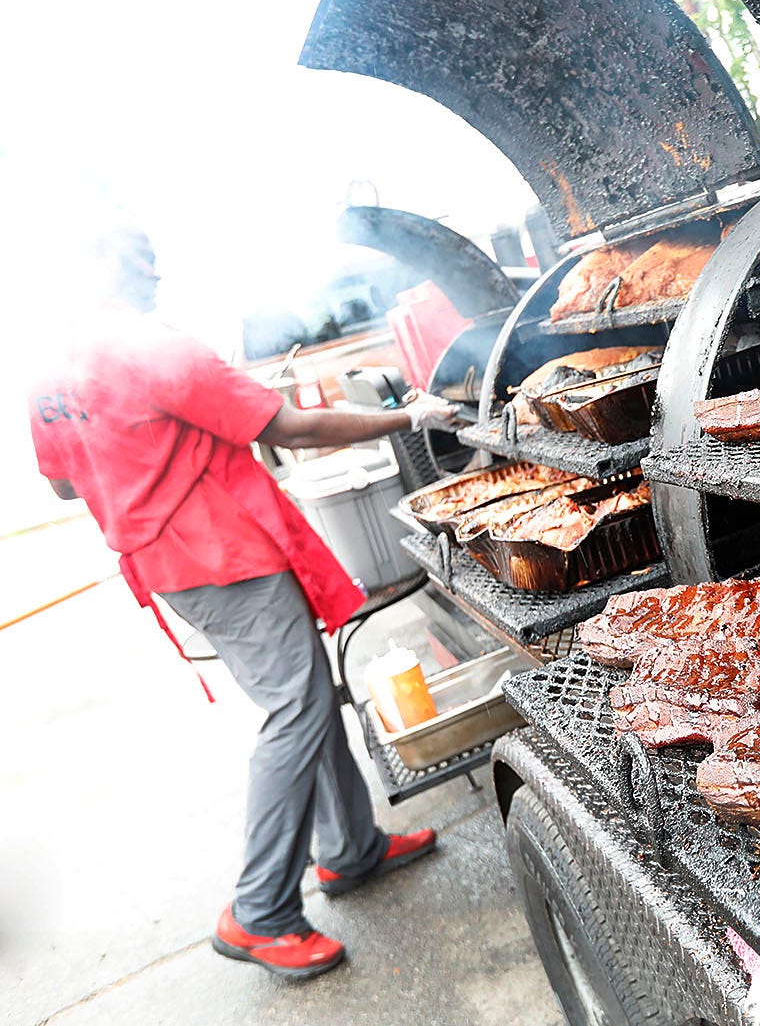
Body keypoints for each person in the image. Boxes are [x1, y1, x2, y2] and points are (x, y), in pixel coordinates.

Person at [27, 226, 459, 980]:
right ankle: (258, 911)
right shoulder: (153, 350)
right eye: (142, 263)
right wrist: (410, 415)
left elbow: (65, 483)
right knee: (296, 709)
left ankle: (349, 848)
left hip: (169, 566)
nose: (155, 276)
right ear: (103, 266)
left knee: (305, 697)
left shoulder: (53, 373)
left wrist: (136, 469)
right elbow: (292, 428)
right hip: (223, 557)